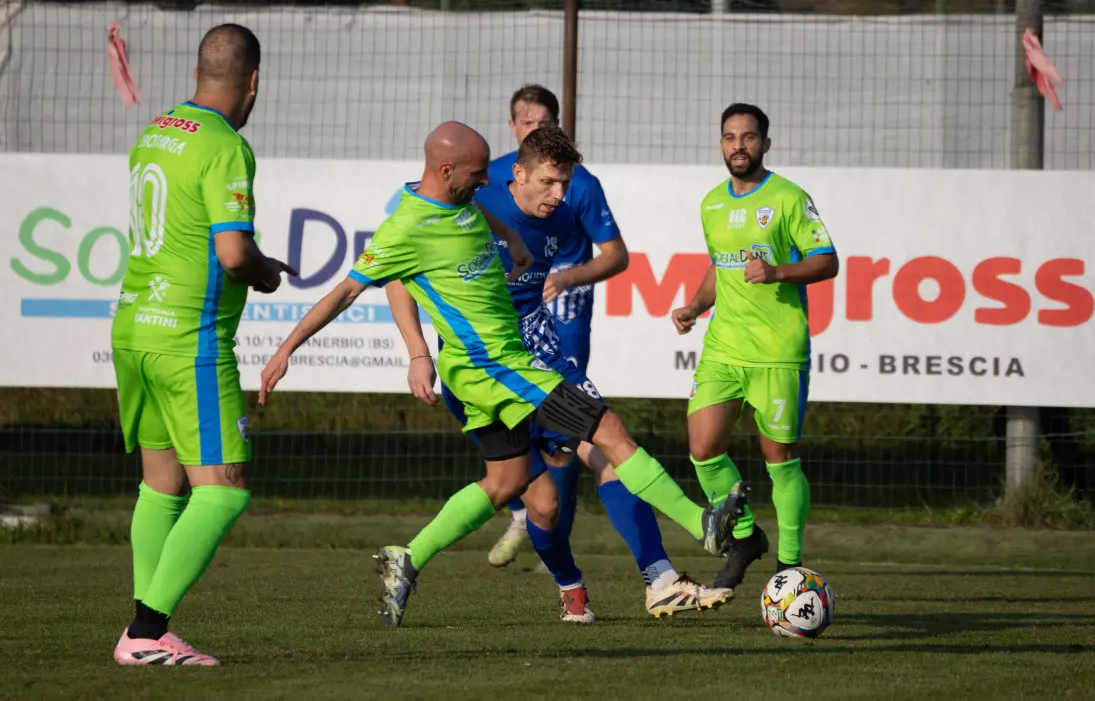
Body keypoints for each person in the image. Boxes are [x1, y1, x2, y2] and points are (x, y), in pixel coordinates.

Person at [258, 121, 748, 627]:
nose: (483, 181)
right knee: (608, 432)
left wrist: (513, 241)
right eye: (477, 173)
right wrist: (289, 350)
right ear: (450, 171)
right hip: (497, 367)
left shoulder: (464, 202)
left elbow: (484, 213)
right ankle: (700, 526)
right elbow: (347, 291)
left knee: (512, 484)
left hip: (493, 367)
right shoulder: (407, 226)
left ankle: (408, 557)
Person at [393, 125, 731, 622]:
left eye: (564, 184)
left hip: (542, 354)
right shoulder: (471, 207)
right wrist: (418, 351)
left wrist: (568, 276)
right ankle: (569, 586)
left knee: (610, 447)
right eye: (549, 183)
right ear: (519, 170)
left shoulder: (565, 213)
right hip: (484, 370)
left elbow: (614, 255)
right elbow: (401, 272)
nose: (559, 196)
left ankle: (661, 577)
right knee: (542, 504)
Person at [110, 24, 294, 666]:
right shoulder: (225, 146)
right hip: (190, 337)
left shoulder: (154, 133)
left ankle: (145, 634)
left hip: (136, 325)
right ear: (253, 81)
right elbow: (233, 252)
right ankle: (144, 631)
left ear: (198, 73)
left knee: (161, 486)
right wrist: (266, 272)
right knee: (226, 488)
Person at [671, 103, 839, 590]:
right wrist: (695, 306)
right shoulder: (711, 203)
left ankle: (790, 566)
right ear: (720, 143)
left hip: (778, 350)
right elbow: (719, 267)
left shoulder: (788, 198)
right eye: (729, 137)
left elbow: (827, 261)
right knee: (703, 450)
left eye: (748, 137)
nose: (738, 146)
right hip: (724, 345)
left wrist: (777, 271)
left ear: (765, 143)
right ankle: (745, 538)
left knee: (780, 459)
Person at [484, 84, 622, 568]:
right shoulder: (491, 179)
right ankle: (528, 510)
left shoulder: (578, 183)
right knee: (512, 427)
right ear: (513, 128)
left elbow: (615, 256)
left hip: (563, 320)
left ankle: (554, 532)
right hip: (506, 327)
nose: (536, 130)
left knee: (571, 428)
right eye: (527, 123)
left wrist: (567, 276)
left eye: (545, 123)